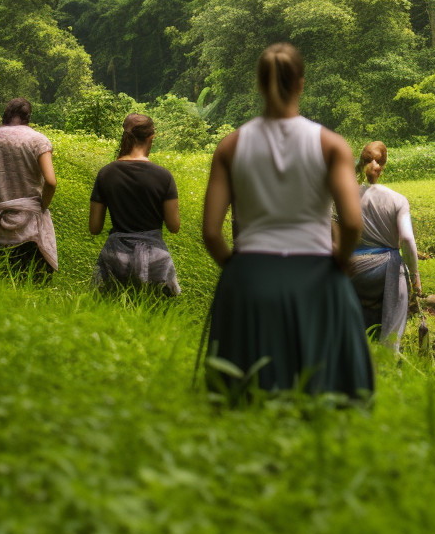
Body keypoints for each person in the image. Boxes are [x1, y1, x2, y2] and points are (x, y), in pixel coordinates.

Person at [201, 43, 372, 399]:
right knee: (324, 393)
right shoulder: (331, 145)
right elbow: (353, 223)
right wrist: (339, 262)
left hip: (250, 274)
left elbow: (212, 233)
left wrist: (238, 268)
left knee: (245, 396)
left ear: (260, 85)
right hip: (317, 275)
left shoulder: (230, 147)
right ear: (301, 84)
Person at [89, 113, 181, 296]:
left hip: (115, 259)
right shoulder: (163, 176)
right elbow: (174, 226)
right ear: (151, 138)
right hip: (156, 261)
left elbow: (95, 227)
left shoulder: (106, 173)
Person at [347, 141, 422, 352]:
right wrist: (415, 278)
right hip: (385, 268)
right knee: (397, 303)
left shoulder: (347, 196)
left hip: (352, 268)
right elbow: (407, 239)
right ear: (384, 165)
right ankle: (390, 352)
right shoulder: (397, 199)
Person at [0, 98, 58, 276]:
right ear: (28, 117)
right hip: (30, 229)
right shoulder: (38, 140)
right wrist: (42, 206)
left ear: (5, 115)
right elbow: (50, 181)